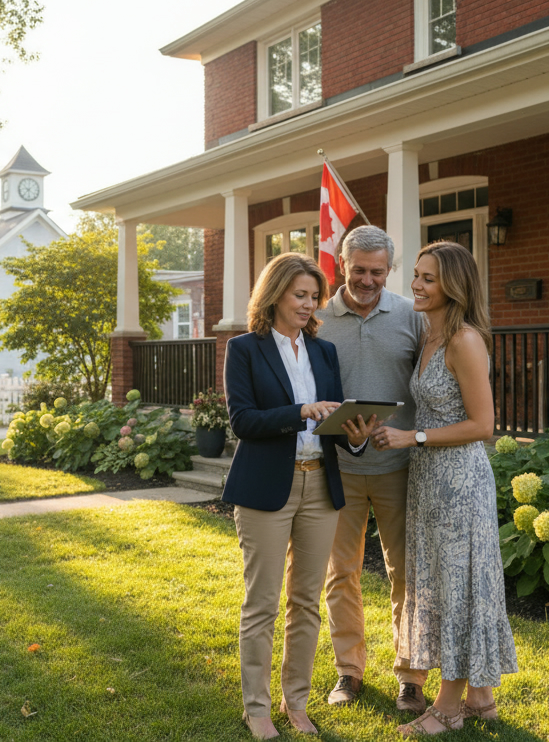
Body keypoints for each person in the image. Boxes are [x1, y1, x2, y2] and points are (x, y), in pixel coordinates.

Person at [223, 252, 375, 740]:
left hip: (320, 484)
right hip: (267, 486)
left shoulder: (324, 351)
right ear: (275, 295)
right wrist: (301, 409)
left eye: (314, 296)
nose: (310, 304)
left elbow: (333, 423)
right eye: (300, 295)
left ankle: (297, 702)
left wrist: (355, 433)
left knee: (306, 602)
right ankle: (257, 709)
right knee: (262, 603)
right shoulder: (245, 348)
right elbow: (243, 421)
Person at [370, 241, 518, 735]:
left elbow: (483, 424)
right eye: (415, 275)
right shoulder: (431, 336)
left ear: (453, 284)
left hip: (460, 480)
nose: (415, 284)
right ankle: (482, 699)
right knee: (441, 582)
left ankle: (448, 707)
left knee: (455, 586)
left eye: (428, 278)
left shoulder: (464, 341)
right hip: (428, 478)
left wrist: (412, 436)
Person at [311, 226, 428, 712]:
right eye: (359, 269)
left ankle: (411, 676)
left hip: (400, 465)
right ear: (343, 264)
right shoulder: (317, 319)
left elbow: (432, 380)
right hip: (336, 466)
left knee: (408, 573)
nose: (367, 279)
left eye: (377, 271)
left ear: (389, 270)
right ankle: (349, 671)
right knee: (342, 573)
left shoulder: (409, 315)